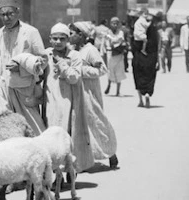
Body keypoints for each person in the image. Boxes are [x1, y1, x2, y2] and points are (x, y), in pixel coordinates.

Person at [0, 0, 48, 136]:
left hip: (24, 88)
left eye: (10, 14)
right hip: (3, 89)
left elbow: (43, 61)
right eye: (3, 15)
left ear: (18, 12)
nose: (7, 18)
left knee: (32, 128)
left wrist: (22, 68)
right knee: (5, 127)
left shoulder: (31, 33)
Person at [44, 23, 94, 173]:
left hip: (69, 103)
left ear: (67, 40)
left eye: (62, 38)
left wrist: (62, 64)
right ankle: (54, 172)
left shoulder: (75, 56)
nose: (58, 42)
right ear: (50, 39)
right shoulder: (46, 54)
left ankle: (70, 171)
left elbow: (74, 77)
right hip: (51, 102)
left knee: (68, 137)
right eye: (55, 38)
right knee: (51, 137)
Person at [69, 21, 119, 170]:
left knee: (96, 123)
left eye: (72, 34)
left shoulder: (90, 50)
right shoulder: (72, 50)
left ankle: (111, 153)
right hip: (76, 92)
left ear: (81, 35)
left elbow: (102, 70)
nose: (69, 36)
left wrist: (82, 70)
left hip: (89, 94)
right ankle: (83, 160)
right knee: (78, 126)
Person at [103, 17, 128, 96]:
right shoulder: (108, 32)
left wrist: (113, 41)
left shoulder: (120, 32)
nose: (115, 25)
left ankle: (118, 91)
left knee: (119, 71)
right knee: (110, 71)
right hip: (110, 54)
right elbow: (107, 43)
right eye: (113, 23)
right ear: (111, 24)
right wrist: (114, 41)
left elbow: (120, 40)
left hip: (119, 54)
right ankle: (109, 85)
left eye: (116, 23)